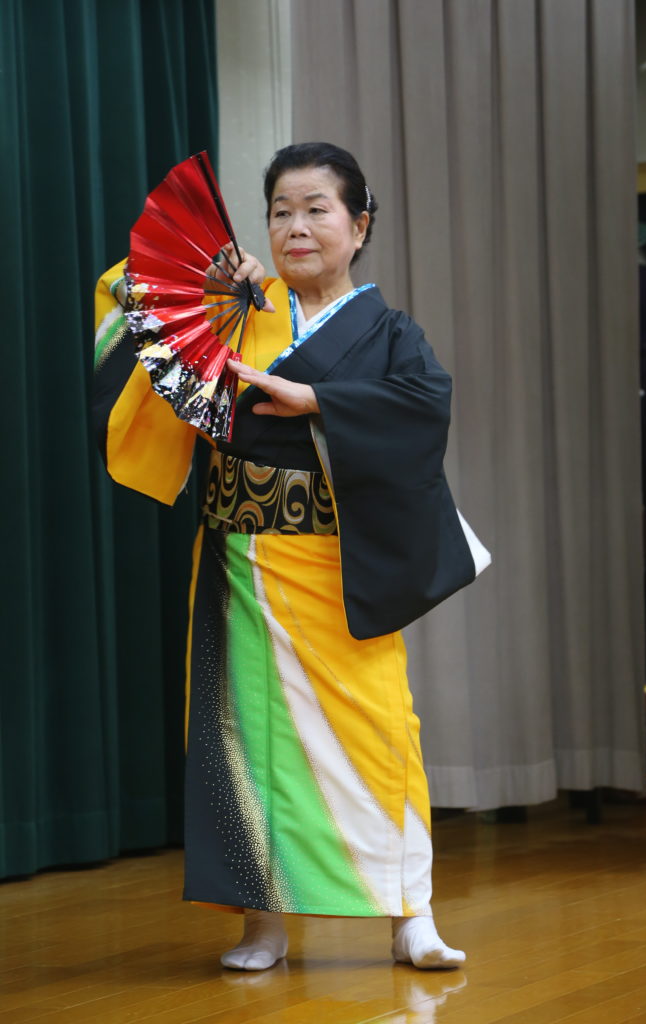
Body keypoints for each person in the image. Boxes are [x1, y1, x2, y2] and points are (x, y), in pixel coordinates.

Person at [94, 142, 489, 972]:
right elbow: (129, 297)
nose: (296, 227)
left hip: (340, 567)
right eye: (280, 211)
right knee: (245, 741)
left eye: (317, 209)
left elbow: (425, 406)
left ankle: (409, 913)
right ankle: (261, 922)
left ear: (359, 225)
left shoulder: (388, 333)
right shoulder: (235, 307)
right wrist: (206, 283)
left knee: (382, 730)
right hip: (238, 561)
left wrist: (320, 399)